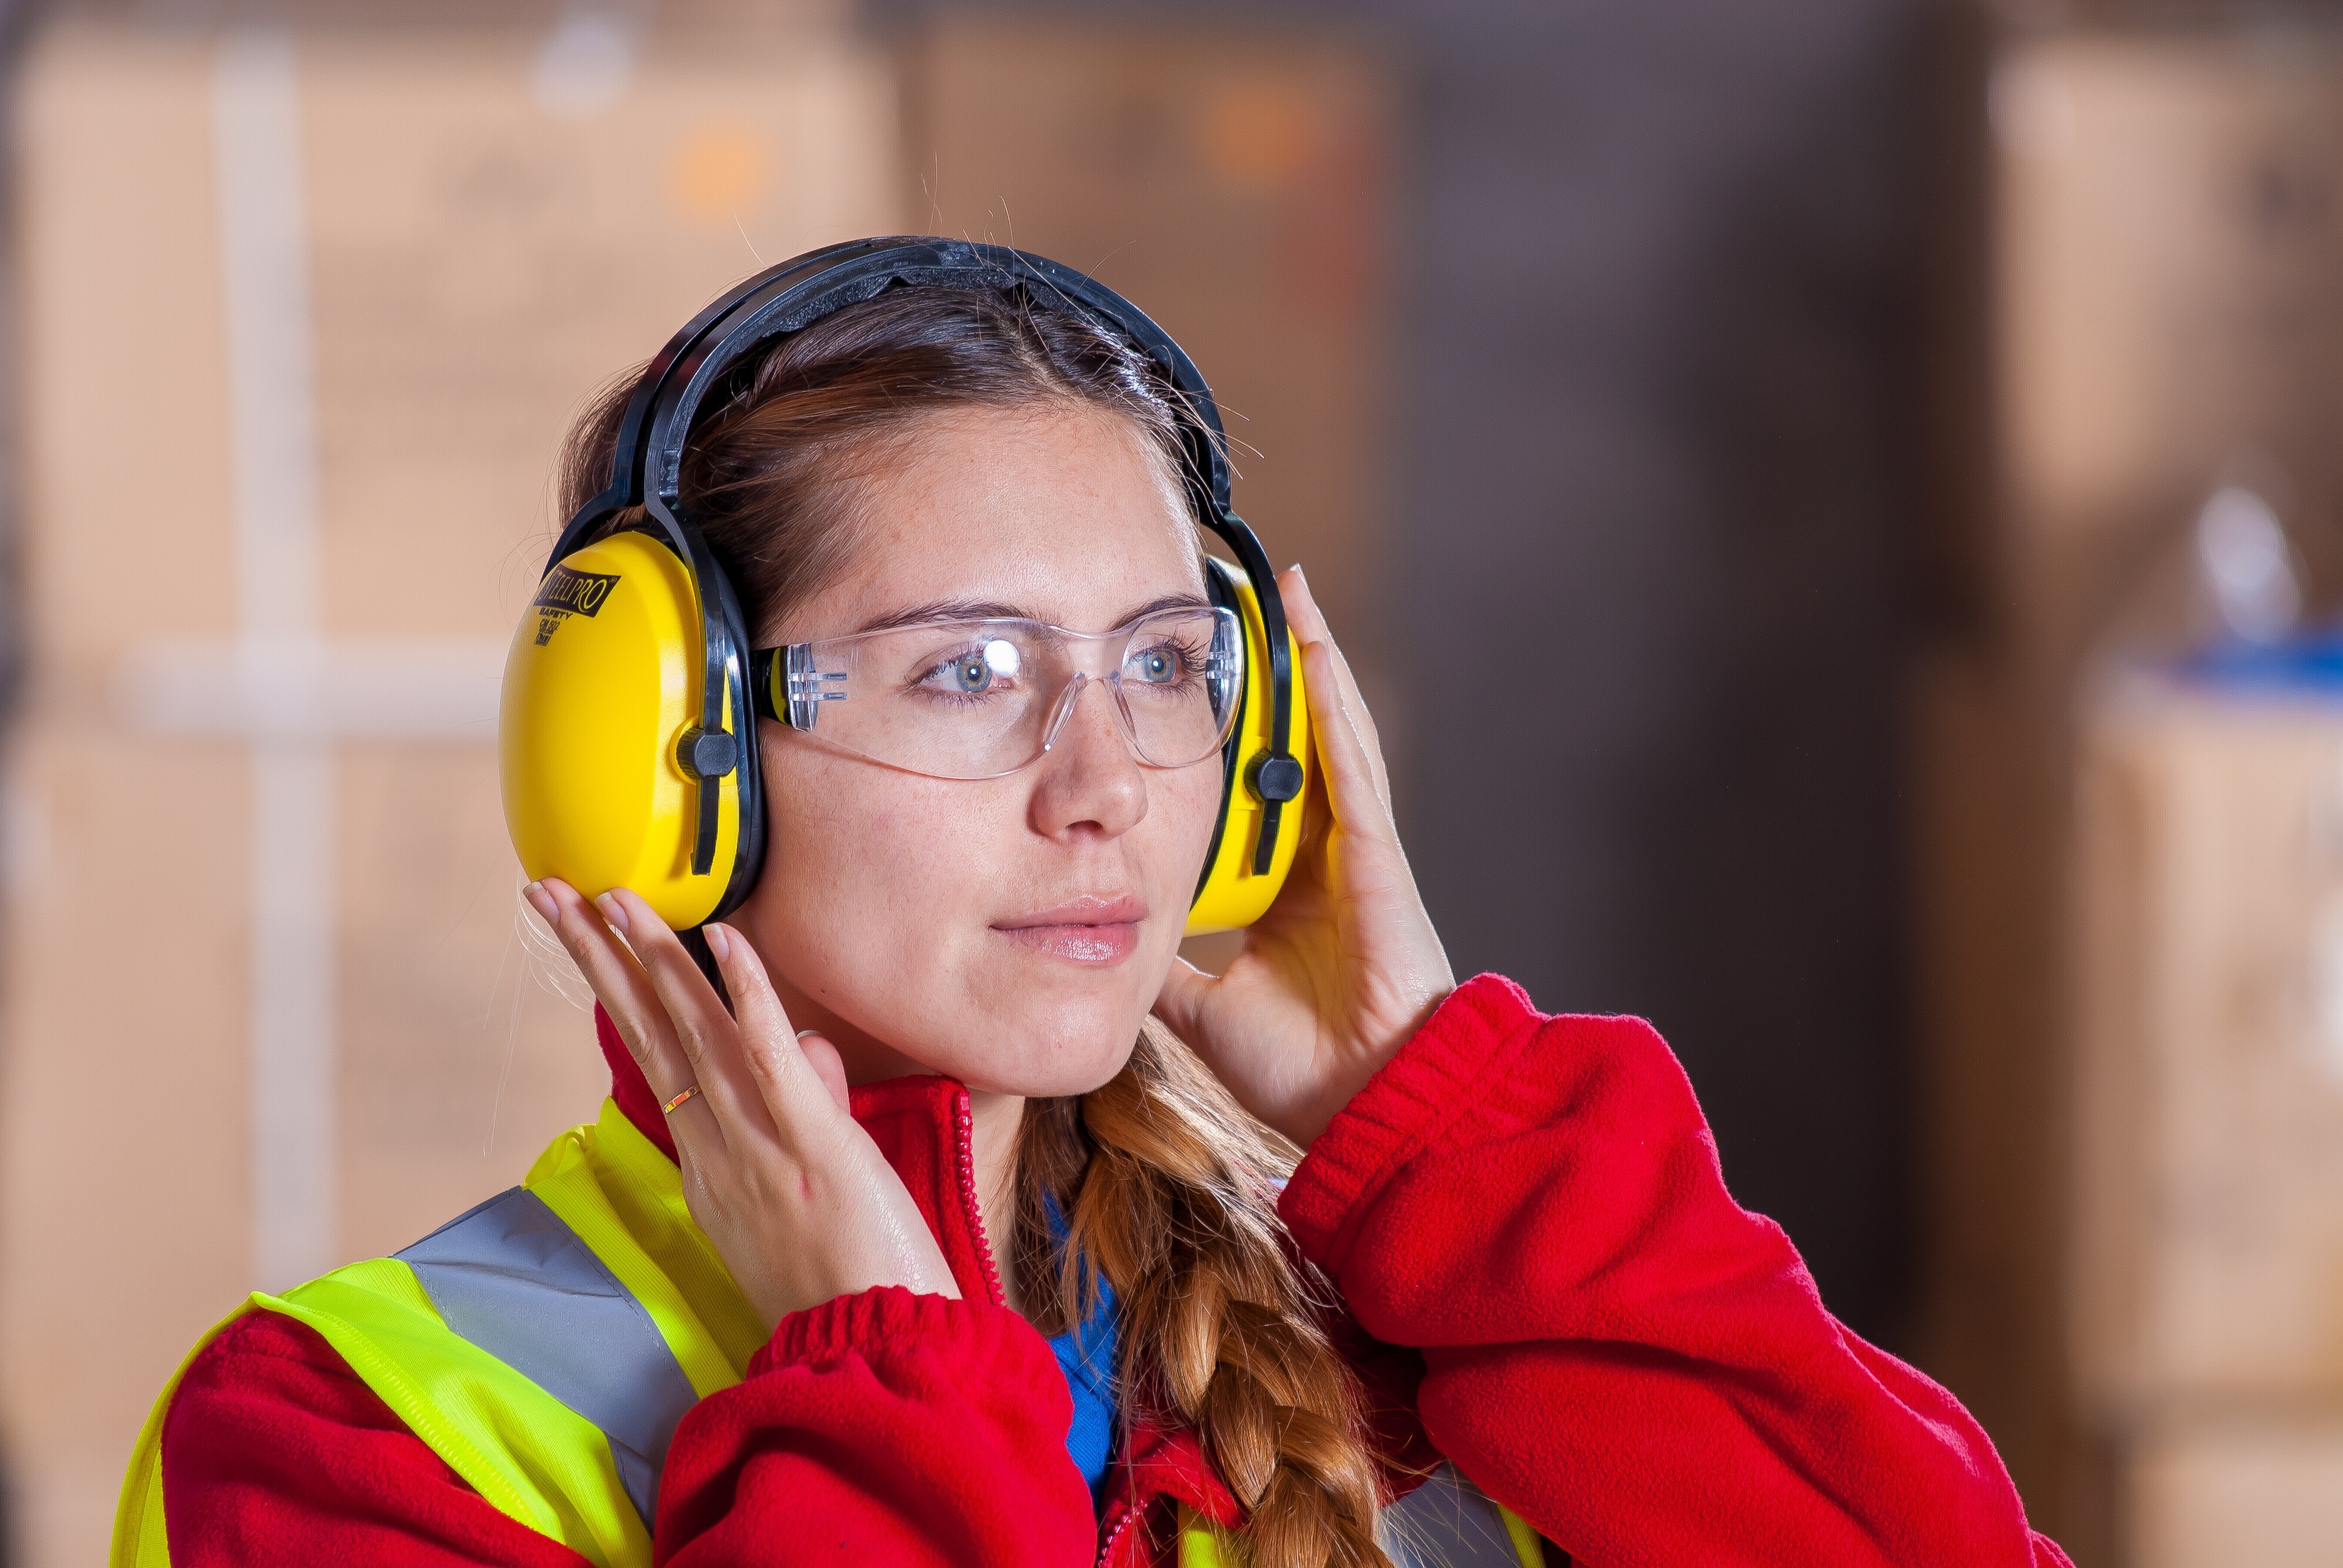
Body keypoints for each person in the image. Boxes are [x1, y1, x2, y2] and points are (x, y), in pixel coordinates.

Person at [117, 258, 2069, 1568]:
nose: (1110, 780)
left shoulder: (1419, 1343)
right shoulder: (341, 1440)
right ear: (664, 756)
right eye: (968, 670)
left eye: (1162, 665)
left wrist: (1459, 1137)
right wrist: (876, 1383)